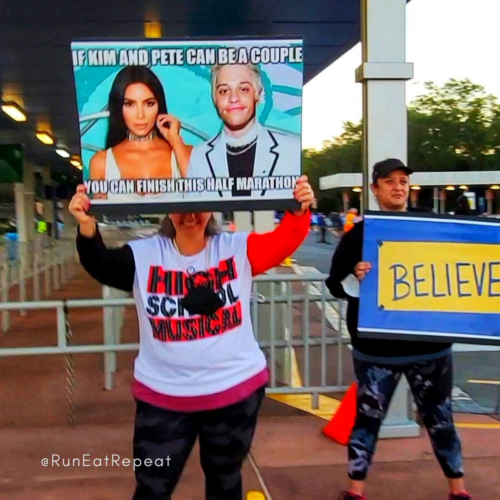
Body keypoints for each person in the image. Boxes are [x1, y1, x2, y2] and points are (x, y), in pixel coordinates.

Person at [70, 175, 314, 500]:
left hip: (233, 392)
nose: (190, 216)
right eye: (180, 207)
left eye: (199, 208)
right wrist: (87, 226)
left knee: (225, 480)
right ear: (166, 210)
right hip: (163, 396)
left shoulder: (237, 248)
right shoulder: (143, 255)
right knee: (152, 487)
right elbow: (99, 262)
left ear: (213, 209)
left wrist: (299, 209)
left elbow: (287, 238)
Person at [325, 159, 472, 500]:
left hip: (429, 348)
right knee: (367, 422)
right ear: (375, 189)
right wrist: (356, 276)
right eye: (389, 181)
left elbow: (460, 260)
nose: (398, 186)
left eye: (403, 181)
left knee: (441, 421)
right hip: (377, 351)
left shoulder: (430, 224)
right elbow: (334, 283)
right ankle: (355, 491)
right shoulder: (359, 234)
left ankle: (459, 490)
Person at [187, 62, 301, 200]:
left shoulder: (291, 150)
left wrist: (301, 209)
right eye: (224, 91)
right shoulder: (198, 157)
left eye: (243, 89)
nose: (233, 98)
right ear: (214, 99)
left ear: (257, 95)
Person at [89, 65, 192, 201]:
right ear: (119, 107)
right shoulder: (101, 162)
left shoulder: (185, 154)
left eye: (149, 104)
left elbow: (204, 203)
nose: (140, 115)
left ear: (159, 105)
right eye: (129, 104)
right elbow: (100, 220)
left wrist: (175, 141)